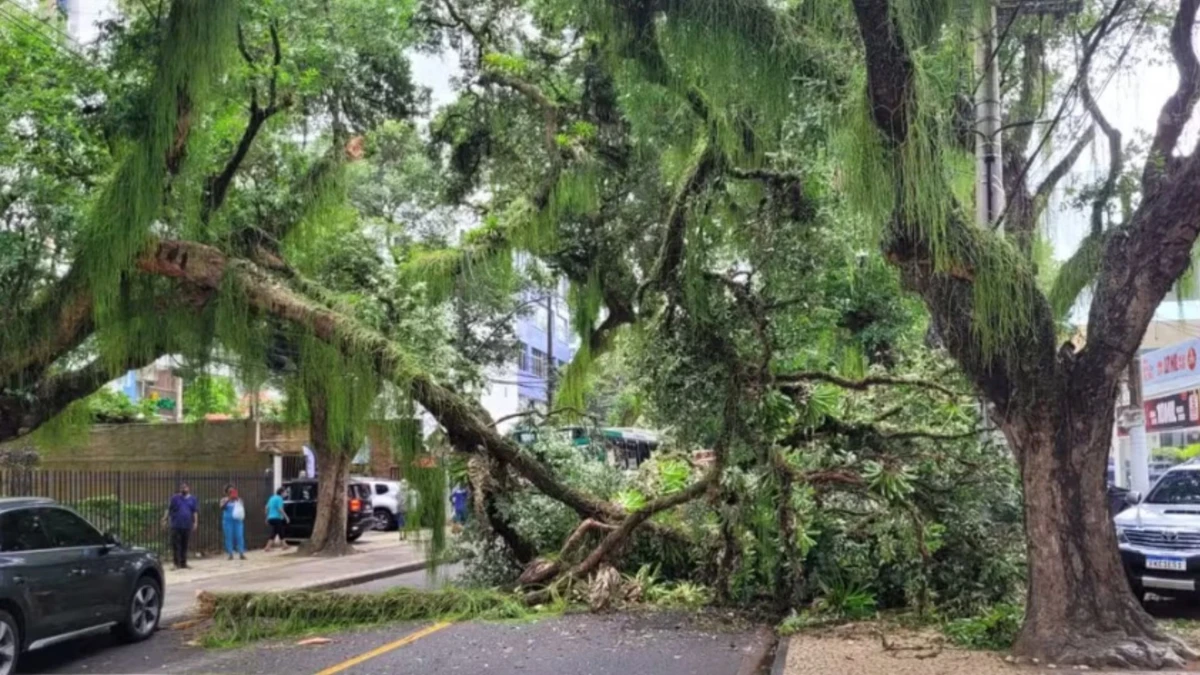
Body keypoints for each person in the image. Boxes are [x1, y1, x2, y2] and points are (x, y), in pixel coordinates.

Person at [162, 482, 198, 570]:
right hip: (176, 525)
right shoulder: (175, 498)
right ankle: (175, 563)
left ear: (188, 488)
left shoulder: (192, 499)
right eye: (182, 488)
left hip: (187, 525)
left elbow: (195, 511)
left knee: (185, 544)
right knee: (176, 545)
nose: (183, 489)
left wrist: (196, 522)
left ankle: (183, 563)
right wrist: (164, 519)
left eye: (185, 487)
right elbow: (169, 509)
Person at [219, 484, 247, 560]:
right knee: (229, 536)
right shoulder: (224, 500)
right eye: (230, 491)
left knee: (239, 536)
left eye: (232, 491)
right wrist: (228, 500)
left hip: (237, 521)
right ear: (227, 492)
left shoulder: (239, 500)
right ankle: (230, 553)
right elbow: (222, 508)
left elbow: (242, 508)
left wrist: (236, 499)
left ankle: (241, 552)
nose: (231, 492)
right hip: (228, 521)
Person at [264, 486, 289, 552]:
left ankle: (284, 545)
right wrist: (286, 517)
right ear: (281, 493)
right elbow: (280, 509)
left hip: (270, 518)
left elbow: (266, 507)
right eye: (285, 492)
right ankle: (268, 547)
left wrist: (267, 517)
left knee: (278, 531)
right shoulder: (279, 499)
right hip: (277, 518)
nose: (286, 494)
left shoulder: (272, 498)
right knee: (276, 532)